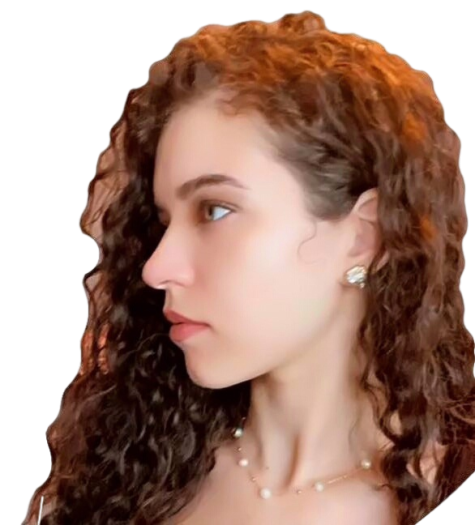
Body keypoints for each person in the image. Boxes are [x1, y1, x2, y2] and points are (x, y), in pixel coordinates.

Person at [24, 11, 474, 525]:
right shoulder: (111, 481)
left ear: (362, 237)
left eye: (215, 210)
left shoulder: (446, 481)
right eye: (164, 221)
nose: (156, 269)